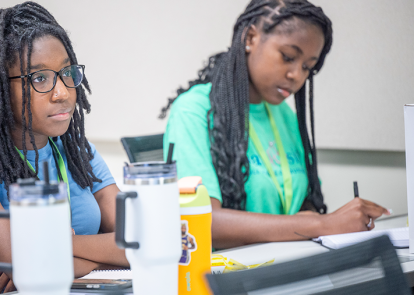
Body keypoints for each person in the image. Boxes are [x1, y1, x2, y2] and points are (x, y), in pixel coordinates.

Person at [160, 0, 390, 249]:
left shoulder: (284, 116)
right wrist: (321, 224)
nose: (297, 75)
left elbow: (305, 203)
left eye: (307, 68)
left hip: (285, 264)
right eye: (288, 57)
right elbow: (201, 222)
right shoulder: (193, 111)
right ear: (250, 38)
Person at [0, 2, 128, 294]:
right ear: (0, 85)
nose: (62, 92)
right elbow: (14, 256)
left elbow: (141, 240)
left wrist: (55, 250)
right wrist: (106, 255)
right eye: (39, 78)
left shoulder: (77, 151)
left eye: (67, 72)